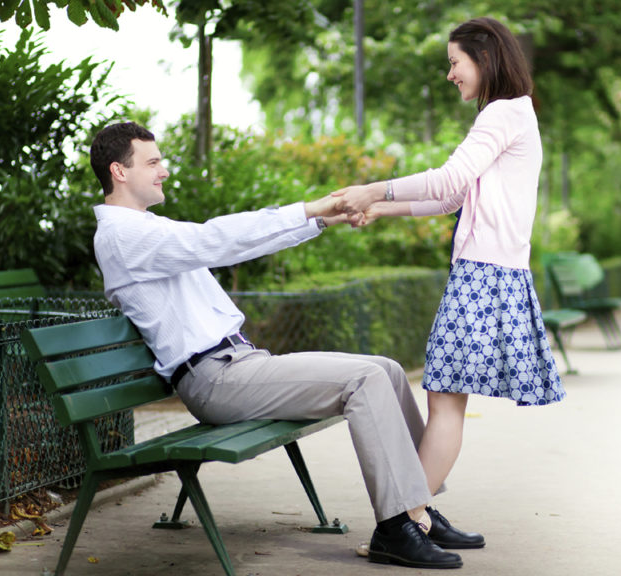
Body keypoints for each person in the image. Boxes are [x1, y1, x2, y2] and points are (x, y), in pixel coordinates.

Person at [87, 121, 463, 569]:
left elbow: (236, 243)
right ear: (119, 171)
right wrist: (308, 208)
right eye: (153, 162)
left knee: (386, 369)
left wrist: (319, 220)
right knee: (365, 380)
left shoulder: (145, 228)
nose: (164, 170)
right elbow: (217, 239)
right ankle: (395, 526)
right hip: (216, 380)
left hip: (237, 365)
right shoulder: (122, 236)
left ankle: (416, 508)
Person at [332, 16, 566, 551]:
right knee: (446, 404)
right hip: (493, 276)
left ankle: (405, 522)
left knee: (443, 406)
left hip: (481, 279)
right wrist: (381, 209)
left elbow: (446, 180)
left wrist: (373, 188)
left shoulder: (502, 114)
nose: (450, 75)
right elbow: (451, 199)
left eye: (454, 63)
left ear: (483, 60)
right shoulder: (510, 115)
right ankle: (418, 516)